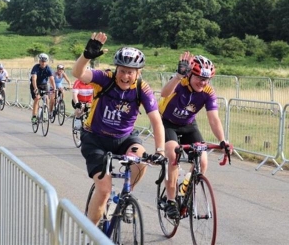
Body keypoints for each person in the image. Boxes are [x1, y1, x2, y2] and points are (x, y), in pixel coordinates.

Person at [72, 32, 165, 226]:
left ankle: (125, 196)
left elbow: (156, 120)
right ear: (116, 69)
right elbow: (78, 74)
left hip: (124, 139)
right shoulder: (105, 78)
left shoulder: (142, 88)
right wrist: (86, 56)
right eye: (122, 70)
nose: (125, 76)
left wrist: (160, 151)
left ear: (138, 73)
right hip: (95, 138)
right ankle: (92, 231)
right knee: (104, 190)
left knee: (141, 160)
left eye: (131, 71)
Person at [159, 52, 231, 219]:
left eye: (206, 79)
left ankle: (184, 191)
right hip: (168, 123)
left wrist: (222, 140)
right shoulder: (180, 83)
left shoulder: (207, 92)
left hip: (188, 125)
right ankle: (170, 200)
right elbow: (164, 93)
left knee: (202, 161)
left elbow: (214, 119)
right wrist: (178, 76)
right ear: (190, 74)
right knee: (172, 155)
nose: (203, 82)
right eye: (199, 77)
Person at [30, 53, 56, 124]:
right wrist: (35, 88)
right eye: (42, 61)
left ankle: (45, 112)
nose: (43, 63)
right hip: (35, 85)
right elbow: (34, 79)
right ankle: (34, 117)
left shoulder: (48, 69)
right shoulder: (36, 67)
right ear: (39, 61)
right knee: (37, 98)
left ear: (47, 62)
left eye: (44, 61)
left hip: (44, 85)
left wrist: (54, 88)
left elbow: (51, 79)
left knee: (47, 98)